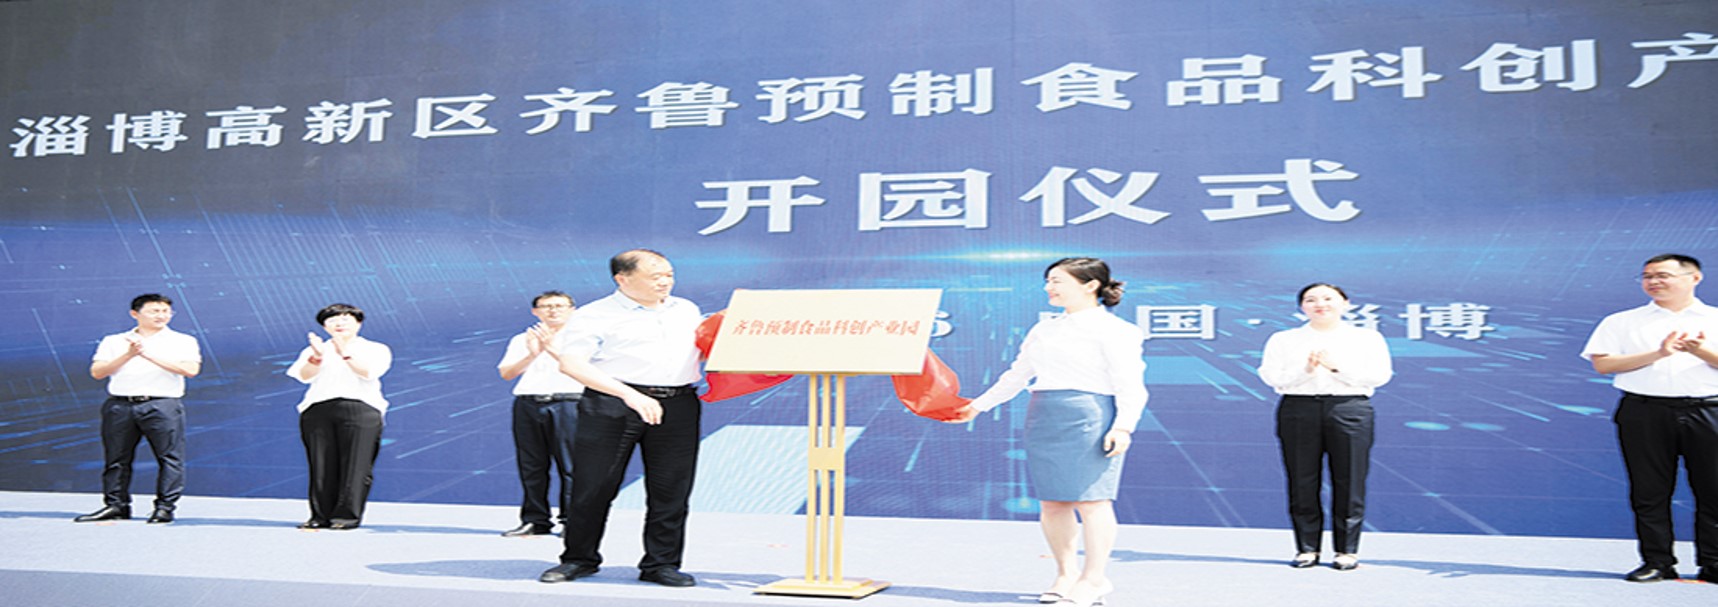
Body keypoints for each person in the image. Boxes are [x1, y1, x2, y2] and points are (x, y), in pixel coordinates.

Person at [947, 257, 1147, 607]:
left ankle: (1095, 579)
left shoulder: (1118, 331)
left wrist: (1123, 426)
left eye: (1057, 281)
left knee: (1093, 501)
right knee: (1053, 503)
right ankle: (1065, 574)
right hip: (1044, 416)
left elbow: (1131, 385)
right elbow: (1016, 376)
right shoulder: (1044, 330)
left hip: (1090, 417)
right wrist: (977, 407)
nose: (1048, 288)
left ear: (1090, 285)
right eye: (1048, 281)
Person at [537, 249, 705, 588]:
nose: (665, 282)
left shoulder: (686, 309)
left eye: (669, 275)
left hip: (677, 404)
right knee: (594, 485)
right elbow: (572, 363)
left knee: (671, 489)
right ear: (623, 279)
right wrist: (629, 394)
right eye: (655, 276)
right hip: (613, 403)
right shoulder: (595, 314)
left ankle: (661, 564)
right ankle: (578, 559)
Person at [1582, 253, 1718, 584]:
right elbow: (1603, 364)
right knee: (1649, 490)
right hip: (1644, 412)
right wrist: (1659, 353)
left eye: (1662, 275)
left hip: (1709, 410)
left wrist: (1700, 351)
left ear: (1694, 278)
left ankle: (1713, 563)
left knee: (1714, 489)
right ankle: (1657, 561)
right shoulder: (1622, 321)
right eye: (1647, 276)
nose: (1653, 282)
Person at [1256, 283, 1392, 571]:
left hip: (1349, 408)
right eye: (1311, 299)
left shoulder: (1367, 338)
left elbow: (1379, 375)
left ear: (1345, 303)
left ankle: (1346, 550)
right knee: (1302, 479)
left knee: (1350, 479)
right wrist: (1304, 371)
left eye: (1328, 298)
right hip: (1299, 408)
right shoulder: (1284, 339)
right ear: (1301, 307)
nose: (1320, 304)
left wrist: (1336, 367)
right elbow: (1271, 376)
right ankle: (1307, 548)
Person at [75, 293, 202, 524]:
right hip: (120, 405)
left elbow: (190, 370)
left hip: (161, 404)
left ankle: (164, 508)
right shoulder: (115, 341)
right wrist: (129, 354)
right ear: (135, 314)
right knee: (116, 458)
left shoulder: (183, 341)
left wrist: (147, 355)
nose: (161, 316)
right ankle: (116, 505)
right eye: (154, 311)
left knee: (169, 458)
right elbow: (98, 372)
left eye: (166, 311)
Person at [286, 303, 392, 531]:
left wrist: (344, 352)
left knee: (356, 465)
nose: (339, 323)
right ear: (325, 326)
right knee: (321, 465)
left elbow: (368, 372)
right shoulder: (316, 349)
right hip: (318, 409)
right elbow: (304, 376)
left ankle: (346, 516)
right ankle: (320, 516)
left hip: (361, 409)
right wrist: (316, 357)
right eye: (332, 320)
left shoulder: (375, 348)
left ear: (358, 323)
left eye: (345, 319)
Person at [497, 291, 585, 537]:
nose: (553, 311)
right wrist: (533, 353)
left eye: (559, 306)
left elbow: (585, 370)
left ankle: (572, 521)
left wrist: (553, 349)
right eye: (546, 306)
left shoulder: (582, 338)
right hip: (528, 403)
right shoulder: (522, 339)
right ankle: (535, 520)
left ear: (572, 310)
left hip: (568, 402)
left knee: (571, 465)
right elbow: (507, 373)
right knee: (531, 465)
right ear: (535, 312)